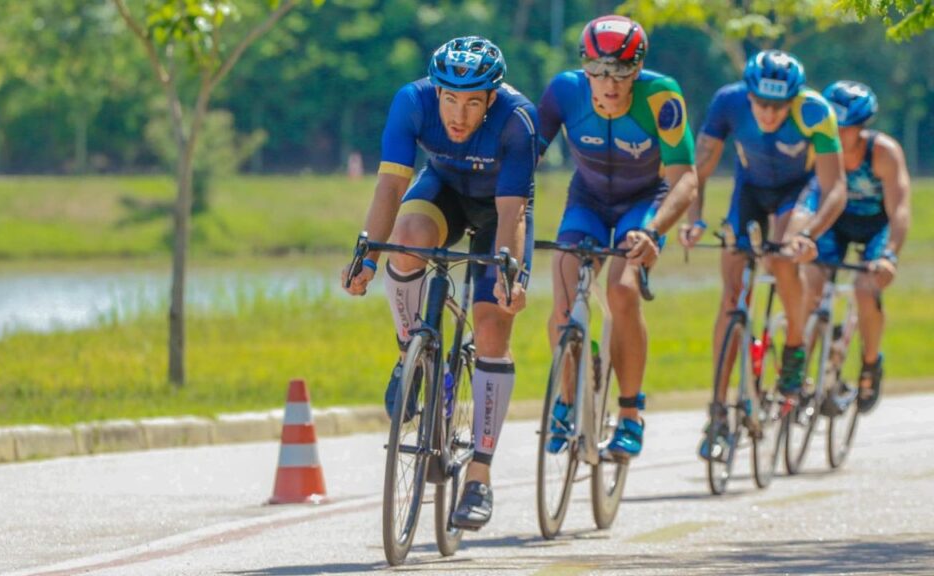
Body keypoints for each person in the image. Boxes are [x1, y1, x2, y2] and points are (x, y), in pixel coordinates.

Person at [341, 36, 537, 530]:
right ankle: (412, 353)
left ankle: (479, 478)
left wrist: (510, 271)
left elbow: (513, 209)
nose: (458, 113)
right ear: (437, 90)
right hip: (444, 190)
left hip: (500, 212)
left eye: (472, 102)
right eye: (450, 98)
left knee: (492, 327)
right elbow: (390, 183)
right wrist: (367, 252)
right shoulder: (412, 100)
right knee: (406, 240)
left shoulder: (518, 119)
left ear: (491, 97)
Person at [538, 15, 698, 458]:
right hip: (587, 198)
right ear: (584, 65)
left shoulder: (661, 96)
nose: (610, 83)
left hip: (644, 203)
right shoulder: (563, 91)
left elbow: (687, 180)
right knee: (565, 293)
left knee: (622, 290)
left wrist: (653, 231)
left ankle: (630, 412)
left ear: (639, 68)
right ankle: (567, 401)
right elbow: (524, 158)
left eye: (623, 71)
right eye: (599, 70)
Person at [681, 50, 847, 459]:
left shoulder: (815, 110)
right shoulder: (728, 101)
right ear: (748, 94)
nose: (769, 114)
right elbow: (697, 171)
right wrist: (694, 219)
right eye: (761, 104)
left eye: (778, 106)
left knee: (783, 253)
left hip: (798, 195)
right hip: (749, 191)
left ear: (794, 99)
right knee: (731, 290)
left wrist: (810, 234)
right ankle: (718, 409)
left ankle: (793, 349)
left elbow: (836, 187)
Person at [804, 81, 910, 413]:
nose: (835, 135)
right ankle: (807, 373)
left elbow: (900, 208)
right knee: (812, 285)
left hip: (875, 225)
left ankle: (870, 363)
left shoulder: (883, 153)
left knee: (866, 288)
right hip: (834, 223)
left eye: (844, 129)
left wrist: (890, 254)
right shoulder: (817, 147)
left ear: (860, 127)